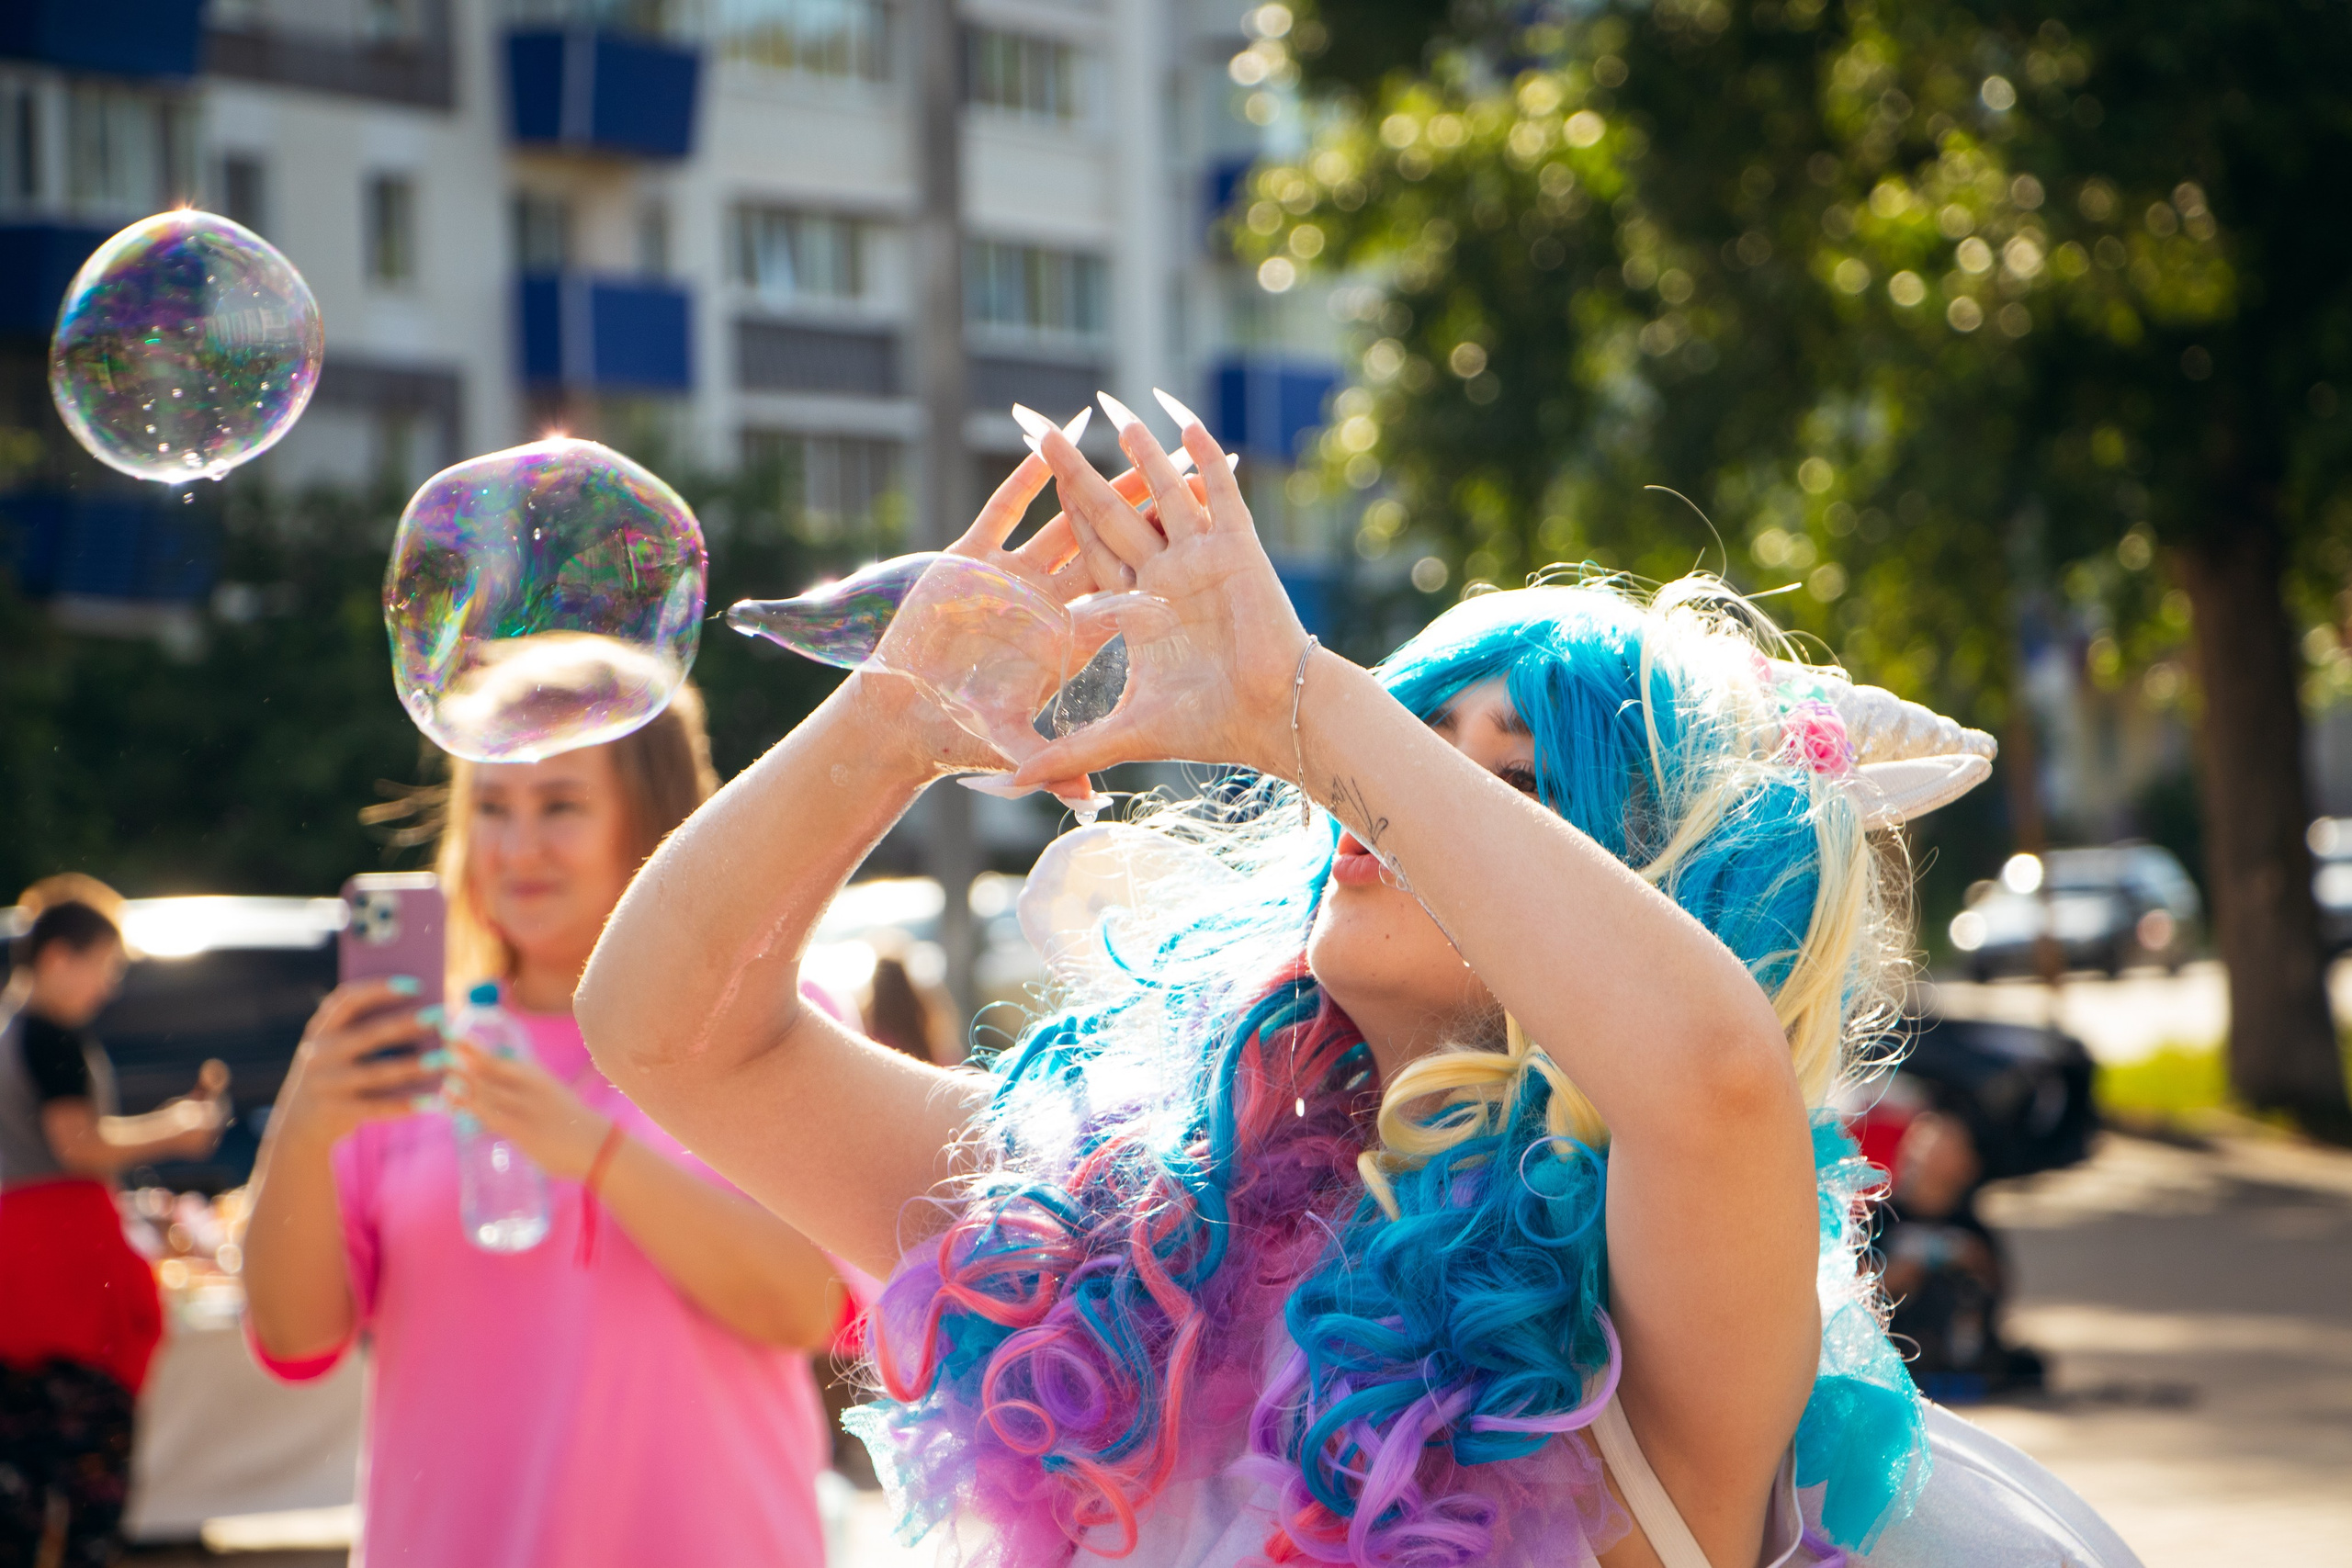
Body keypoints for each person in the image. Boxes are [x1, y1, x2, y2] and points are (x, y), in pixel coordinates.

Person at [578, 407, 2142, 1568]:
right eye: (1415, 740)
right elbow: (668, 1032)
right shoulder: (1122, 1239)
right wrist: (896, 721)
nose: (1391, 805)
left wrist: (1305, 709)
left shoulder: (1668, 1286)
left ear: (1659, 898)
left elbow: (1704, 1068)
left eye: (1515, 781)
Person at [240, 671, 845, 1567]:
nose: (518, 847)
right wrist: (303, 1125)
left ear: (654, 823)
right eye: (491, 807)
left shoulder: (767, 1024)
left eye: (560, 806)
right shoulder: (407, 1051)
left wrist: (594, 1154)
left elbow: (806, 1309)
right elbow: (296, 1345)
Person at [0, 877, 228, 1567]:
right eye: (107, 966)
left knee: (21, 1486)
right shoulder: (49, 1034)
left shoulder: (14, 1030)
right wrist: (179, 1128)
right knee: (89, 1483)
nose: (108, 987)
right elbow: (78, 1144)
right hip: (59, 1274)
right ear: (61, 956)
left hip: (20, 1282)